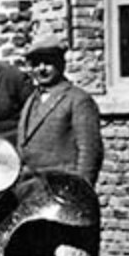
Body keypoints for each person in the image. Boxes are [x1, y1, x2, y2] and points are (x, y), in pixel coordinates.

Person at [17, 38, 103, 186]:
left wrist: (81, 190)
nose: (42, 69)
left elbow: (90, 152)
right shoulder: (31, 99)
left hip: (62, 186)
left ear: (61, 64)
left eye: (48, 63)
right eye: (36, 64)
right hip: (30, 187)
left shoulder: (77, 99)